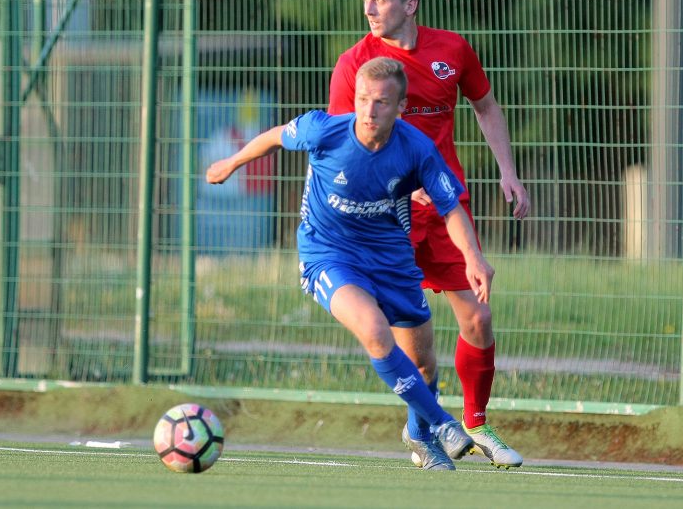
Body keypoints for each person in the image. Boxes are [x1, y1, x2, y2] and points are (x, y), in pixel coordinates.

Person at [207, 57, 494, 471]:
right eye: (363, 99)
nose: (369, 110)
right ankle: (443, 423)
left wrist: (473, 258)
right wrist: (231, 164)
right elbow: (273, 136)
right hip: (329, 255)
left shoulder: (416, 149)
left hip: (391, 259)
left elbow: (451, 208)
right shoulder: (325, 130)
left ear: (400, 105)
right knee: (375, 331)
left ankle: (419, 433)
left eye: (381, 102)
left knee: (423, 362)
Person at [328, 0, 530, 469]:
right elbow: (341, 145)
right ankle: (424, 430)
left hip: (444, 209)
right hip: (385, 217)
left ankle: (478, 425)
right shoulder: (355, 63)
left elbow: (485, 106)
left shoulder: (452, 50)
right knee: (415, 344)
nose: (370, 8)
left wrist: (507, 170)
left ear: (411, 4)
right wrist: (392, 183)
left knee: (479, 317)